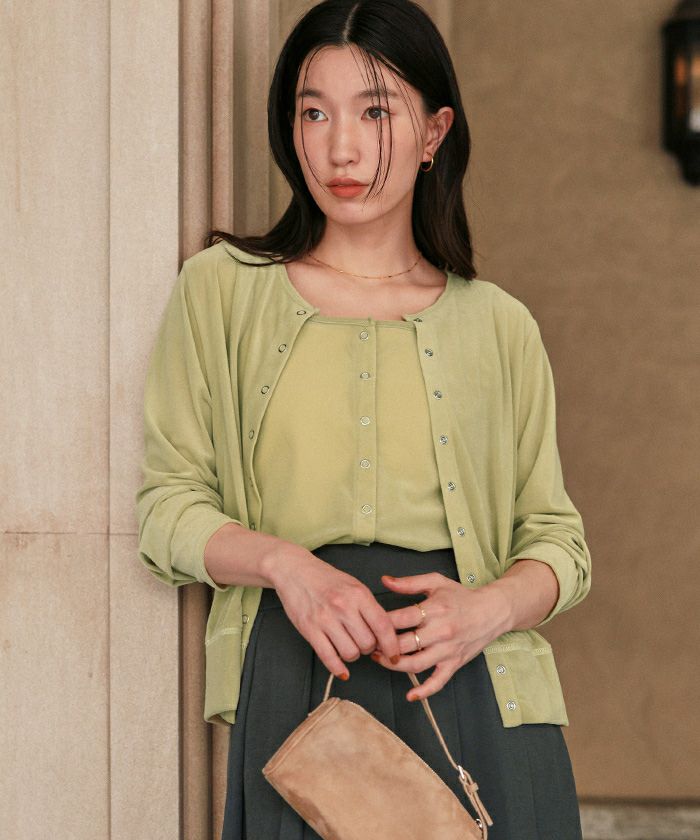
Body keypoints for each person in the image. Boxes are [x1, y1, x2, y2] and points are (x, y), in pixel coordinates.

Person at [135, 1, 592, 838]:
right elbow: (166, 510)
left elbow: (560, 545)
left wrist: (485, 611)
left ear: (434, 133)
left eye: (374, 112)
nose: (339, 147)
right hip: (300, 685)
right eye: (314, 113)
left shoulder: (500, 325)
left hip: (479, 693)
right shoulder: (222, 291)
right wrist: (288, 568)